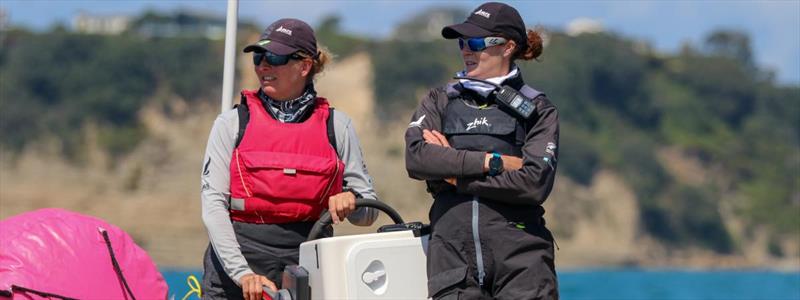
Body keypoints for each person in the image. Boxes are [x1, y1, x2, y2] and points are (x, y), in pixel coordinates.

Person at [200, 18, 378, 300]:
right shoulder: (231, 124)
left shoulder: (338, 127)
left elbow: (369, 214)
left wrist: (351, 201)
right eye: (259, 57)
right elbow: (213, 207)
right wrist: (242, 273)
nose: (263, 66)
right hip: (238, 270)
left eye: (275, 57)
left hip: (310, 268)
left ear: (304, 66)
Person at [405, 2, 559, 299]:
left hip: (522, 260)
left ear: (507, 47)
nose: (466, 50)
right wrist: (492, 162)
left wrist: (454, 177)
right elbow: (417, 158)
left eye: (476, 42)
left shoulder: (539, 109)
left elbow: (533, 184)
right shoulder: (438, 100)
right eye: (463, 43)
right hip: (452, 259)